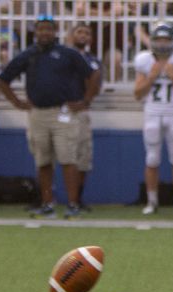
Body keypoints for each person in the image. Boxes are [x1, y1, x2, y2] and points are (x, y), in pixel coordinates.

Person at [0, 15, 98, 219]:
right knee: (42, 160)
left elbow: (92, 75)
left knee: (68, 159)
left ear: (55, 31)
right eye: (41, 29)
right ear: (35, 32)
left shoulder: (67, 53)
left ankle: (73, 203)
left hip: (62, 112)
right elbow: (2, 79)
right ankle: (47, 203)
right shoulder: (29, 54)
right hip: (37, 114)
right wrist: (17, 102)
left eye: (48, 29)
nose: (45, 33)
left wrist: (85, 101)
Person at [134, 23, 173, 215]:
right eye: (159, 39)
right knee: (152, 158)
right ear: (153, 41)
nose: (163, 44)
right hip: (153, 112)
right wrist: (151, 77)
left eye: (167, 39)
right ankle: (152, 201)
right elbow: (137, 93)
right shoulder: (144, 60)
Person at [70, 23, 103, 212]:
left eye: (86, 33)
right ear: (71, 35)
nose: (83, 35)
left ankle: (77, 199)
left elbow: (96, 85)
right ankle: (46, 199)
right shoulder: (64, 56)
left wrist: (84, 100)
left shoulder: (93, 61)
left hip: (81, 111)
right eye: (79, 32)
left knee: (82, 157)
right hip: (61, 109)